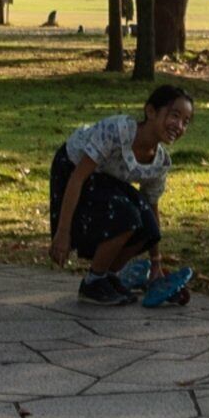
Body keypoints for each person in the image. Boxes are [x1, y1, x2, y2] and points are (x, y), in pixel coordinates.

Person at [50, 83, 195, 307]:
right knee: (126, 215)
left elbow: (151, 206)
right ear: (151, 112)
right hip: (73, 171)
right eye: (174, 115)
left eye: (186, 121)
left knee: (148, 227)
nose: (179, 126)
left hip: (106, 181)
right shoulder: (117, 131)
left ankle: (106, 275)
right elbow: (78, 177)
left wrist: (156, 264)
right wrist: (62, 232)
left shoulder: (160, 161)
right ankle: (93, 283)